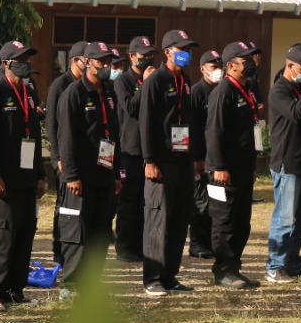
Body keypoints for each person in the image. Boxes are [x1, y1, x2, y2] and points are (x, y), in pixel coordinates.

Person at [0, 41, 45, 311]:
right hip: (3, 180)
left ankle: (16, 289)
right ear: (6, 63)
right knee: (0, 237)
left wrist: (40, 174)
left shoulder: (29, 90)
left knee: (23, 234)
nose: (26, 63)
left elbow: (35, 137)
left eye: (28, 58)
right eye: (20, 59)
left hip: (27, 177)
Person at [54, 41, 119, 290]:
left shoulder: (110, 93)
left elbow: (115, 134)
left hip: (104, 174)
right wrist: (71, 175)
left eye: (109, 62)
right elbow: (66, 137)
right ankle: (71, 285)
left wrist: (116, 173)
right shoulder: (73, 93)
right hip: (80, 177)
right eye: (101, 61)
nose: (106, 66)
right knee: (76, 233)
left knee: (100, 232)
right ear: (87, 62)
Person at [139, 29, 199, 296]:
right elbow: (146, 123)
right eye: (181, 48)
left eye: (188, 48)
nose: (186, 53)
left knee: (178, 219)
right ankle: (153, 277)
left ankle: (170, 275)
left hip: (183, 160)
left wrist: (196, 157)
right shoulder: (156, 81)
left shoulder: (185, 80)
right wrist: (149, 160)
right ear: (167, 52)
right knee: (158, 219)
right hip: (161, 162)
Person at [204, 41, 260, 289]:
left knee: (241, 222)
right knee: (224, 221)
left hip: (243, 168)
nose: (252, 62)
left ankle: (234, 267)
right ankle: (223, 270)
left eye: (252, 57)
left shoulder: (247, 90)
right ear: (231, 65)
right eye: (245, 58)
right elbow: (214, 131)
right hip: (224, 171)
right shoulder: (223, 91)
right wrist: (219, 166)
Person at [265, 43, 301, 283]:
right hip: (288, 164)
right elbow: (297, 114)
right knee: (284, 219)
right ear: (290, 66)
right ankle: (274, 265)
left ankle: (292, 262)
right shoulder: (280, 90)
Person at [114, 36, 156, 264]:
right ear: (131, 56)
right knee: (128, 200)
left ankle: (140, 245)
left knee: (144, 201)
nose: (147, 59)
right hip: (128, 151)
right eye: (143, 56)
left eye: (150, 55)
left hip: (147, 151)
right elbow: (130, 107)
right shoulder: (123, 81)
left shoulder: (154, 79)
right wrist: (146, 85)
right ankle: (124, 245)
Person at [46, 42, 89, 265]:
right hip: (64, 157)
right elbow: (52, 124)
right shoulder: (60, 85)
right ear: (75, 61)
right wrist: (58, 157)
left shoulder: (89, 85)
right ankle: (59, 249)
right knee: (64, 204)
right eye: (87, 60)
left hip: (83, 158)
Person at [189, 50, 222, 260]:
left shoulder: (222, 91)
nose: (217, 71)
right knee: (201, 202)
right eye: (213, 67)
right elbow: (192, 128)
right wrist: (196, 157)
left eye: (220, 66)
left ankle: (212, 241)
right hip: (201, 158)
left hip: (217, 158)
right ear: (202, 69)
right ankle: (197, 243)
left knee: (217, 202)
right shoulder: (197, 92)